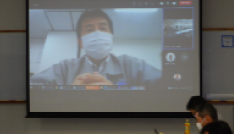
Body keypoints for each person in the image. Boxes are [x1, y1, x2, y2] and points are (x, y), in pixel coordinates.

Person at [30, 9, 161, 86]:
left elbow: (166, 87)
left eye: (103, 28)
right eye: (90, 29)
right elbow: (33, 88)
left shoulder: (133, 65)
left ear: (111, 36)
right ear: (80, 42)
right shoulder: (64, 68)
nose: (97, 33)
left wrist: (119, 92)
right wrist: (69, 93)